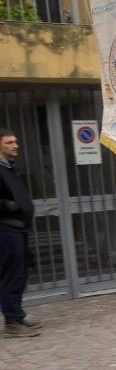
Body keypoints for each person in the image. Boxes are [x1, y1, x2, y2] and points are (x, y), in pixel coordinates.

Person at [0, 128, 41, 338]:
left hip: (18, 228)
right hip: (6, 230)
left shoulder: (9, 167)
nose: (15, 145)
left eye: (15, 141)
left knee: (20, 274)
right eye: (9, 142)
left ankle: (17, 315)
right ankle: (11, 323)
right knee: (10, 275)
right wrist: (8, 206)